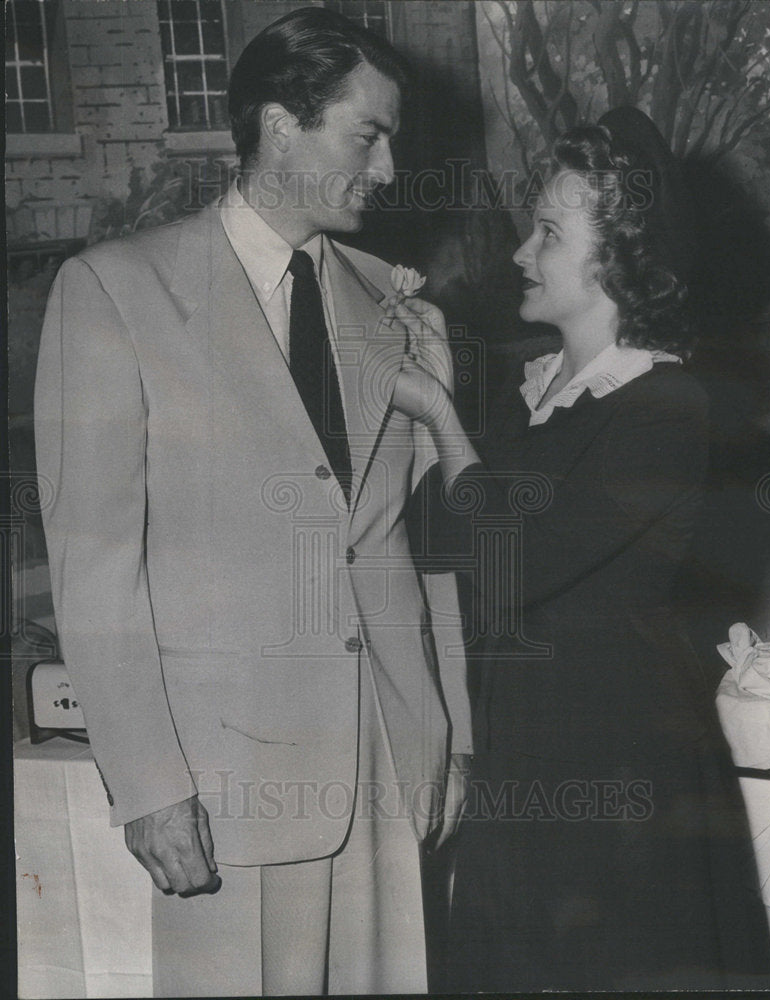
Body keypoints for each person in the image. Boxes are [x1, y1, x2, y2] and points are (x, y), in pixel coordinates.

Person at [34, 7, 471, 996]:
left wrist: (450, 732)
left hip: (389, 766)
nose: (392, 169)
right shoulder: (114, 291)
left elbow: (393, 540)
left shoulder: (390, 302)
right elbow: (96, 564)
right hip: (228, 780)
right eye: (370, 134)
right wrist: (148, 785)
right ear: (280, 124)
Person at [390, 108, 770, 990]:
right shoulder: (535, 398)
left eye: (550, 232)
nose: (524, 252)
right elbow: (431, 531)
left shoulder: (666, 407)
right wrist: (441, 401)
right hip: (523, 762)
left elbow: (515, 562)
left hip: (622, 781)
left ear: (615, 258)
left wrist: (446, 418)